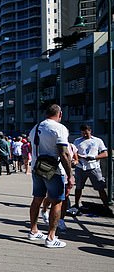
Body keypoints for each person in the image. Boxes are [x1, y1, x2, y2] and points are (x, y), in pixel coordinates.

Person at [27, 104, 74, 249]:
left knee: (37, 199)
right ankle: (51, 237)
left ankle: (33, 231)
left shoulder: (36, 127)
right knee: (57, 202)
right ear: (60, 114)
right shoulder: (59, 128)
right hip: (53, 171)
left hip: (37, 168)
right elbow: (64, 152)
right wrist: (70, 174)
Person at [68, 124, 111, 214]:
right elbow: (74, 153)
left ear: (90, 131)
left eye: (86, 133)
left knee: (100, 188)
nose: (84, 135)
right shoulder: (77, 141)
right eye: (83, 133)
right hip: (81, 167)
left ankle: (106, 206)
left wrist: (94, 157)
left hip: (94, 167)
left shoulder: (98, 141)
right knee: (79, 187)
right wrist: (80, 157)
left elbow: (105, 154)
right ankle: (76, 204)